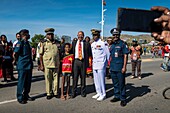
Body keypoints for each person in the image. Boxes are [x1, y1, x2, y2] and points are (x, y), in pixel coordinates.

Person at [13, 29, 34, 104]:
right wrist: (16, 61)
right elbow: (15, 53)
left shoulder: (28, 43)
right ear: (24, 35)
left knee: (28, 82)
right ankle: (20, 97)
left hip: (28, 65)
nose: (29, 35)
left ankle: (26, 95)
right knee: (21, 82)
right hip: (22, 65)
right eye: (28, 34)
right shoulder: (20, 43)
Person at [109, 28, 129, 107]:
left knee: (121, 84)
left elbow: (125, 56)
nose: (115, 36)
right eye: (114, 35)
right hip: (113, 67)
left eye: (117, 34)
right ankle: (116, 96)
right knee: (115, 83)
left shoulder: (123, 44)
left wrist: (124, 67)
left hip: (120, 67)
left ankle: (123, 98)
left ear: (119, 35)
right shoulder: (112, 44)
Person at [39, 28, 60, 100]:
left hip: (56, 64)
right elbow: (40, 55)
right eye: (49, 34)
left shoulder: (57, 43)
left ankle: (56, 92)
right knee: (48, 80)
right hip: (47, 64)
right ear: (46, 35)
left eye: (51, 34)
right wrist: (41, 65)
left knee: (56, 80)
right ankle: (49, 93)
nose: (50, 36)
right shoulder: (43, 43)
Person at [71, 31, 92, 98]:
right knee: (75, 78)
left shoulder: (87, 44)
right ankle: (73, 92)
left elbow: (89, 54)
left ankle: (83, 92)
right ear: (77, 35)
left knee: (83, 78)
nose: (80, 36)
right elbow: (71, 52)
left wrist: (89, 64)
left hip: (83, 62)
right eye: (79, 35)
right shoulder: (74, 43)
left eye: (81, 35)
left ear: (83, 36)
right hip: (76, 61)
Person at [91, 29, 110, 101]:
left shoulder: (103, 43)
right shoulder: (92, 44)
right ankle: (98, 92)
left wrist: (107, 63)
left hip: (101, 64)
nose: (94, 37)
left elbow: (107, 54)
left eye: (95, 35)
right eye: (93, 35)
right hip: (95, 63)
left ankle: (103, 94)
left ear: (98, 35)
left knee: (101, 80)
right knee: (96, 79)